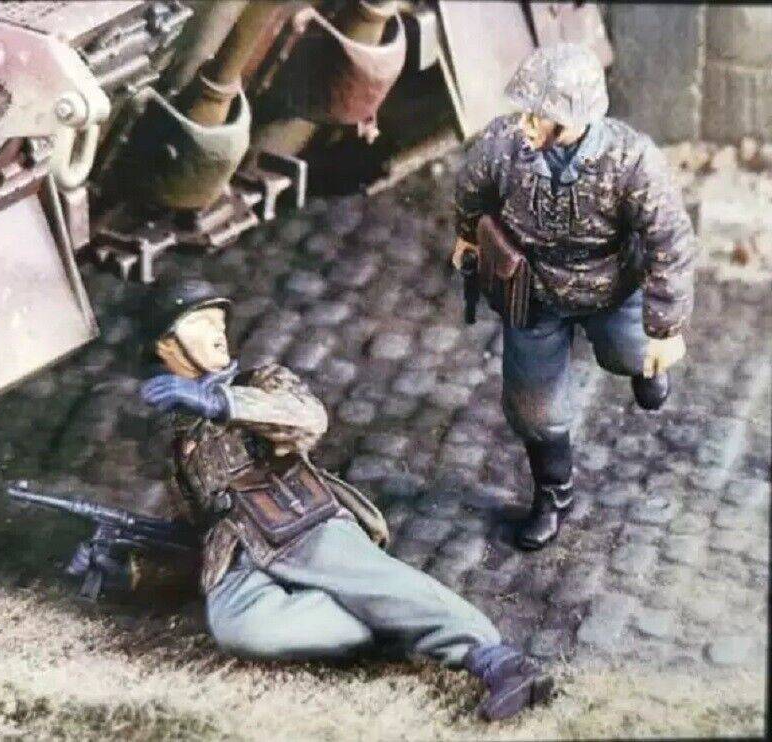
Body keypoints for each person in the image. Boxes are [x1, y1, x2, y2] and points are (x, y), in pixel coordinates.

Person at [139, 277, 554, 721]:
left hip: (297, 519)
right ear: (167, 346)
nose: (218, 331)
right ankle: (385, 625)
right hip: (237, 552)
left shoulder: (259, 382)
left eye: (218, 320)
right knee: (238, 627)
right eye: (201, 322)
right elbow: (195, 516)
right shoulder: (178, 437)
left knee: (373, 580)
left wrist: (222, 403)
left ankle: (499, 661)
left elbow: (308, 419)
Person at [453, 43, 698, 549]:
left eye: (537, 115)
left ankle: (646, 370)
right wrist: (466, 235)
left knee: (631, 354)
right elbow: (471, 189)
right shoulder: (503, 144)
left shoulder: (632, 161)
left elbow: (670, 240)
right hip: (534, 294)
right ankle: (554, 494)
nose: (524, 123)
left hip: (612, 288)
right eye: (525, 111)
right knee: (535, 410)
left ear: (571, 120)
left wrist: (666, 329)